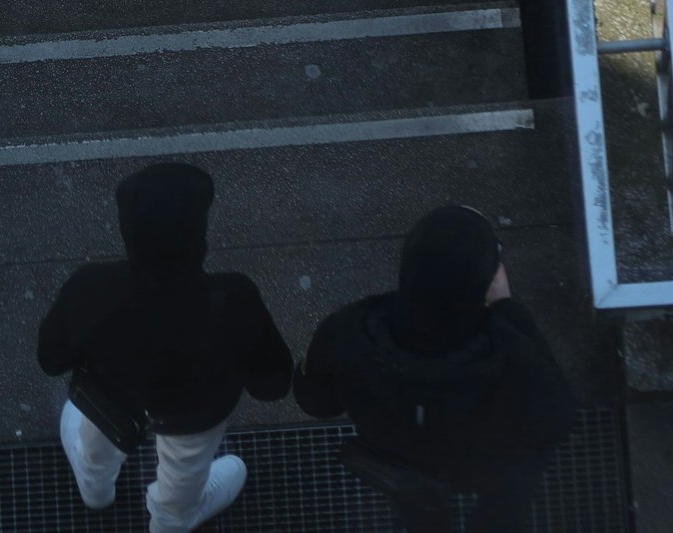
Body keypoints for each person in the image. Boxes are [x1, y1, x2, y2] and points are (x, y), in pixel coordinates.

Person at [37, 162, 293, 533]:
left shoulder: (90, 288)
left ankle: (95, 487)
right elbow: (272, 384)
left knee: (97, 439)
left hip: (112, 398)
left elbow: (50, 359)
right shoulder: (234, 298)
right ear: (199, 239)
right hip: (194, 411)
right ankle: (172, 518)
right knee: (185, 468)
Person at [294, 204, 575, 533]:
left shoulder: (346, 332)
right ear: (483, 281)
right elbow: (556, 420)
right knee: (506, 504)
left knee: (418, 510)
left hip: (402, 465)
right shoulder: (514, 355)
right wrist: (507, 310)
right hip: (488, 466)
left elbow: (313, 401)